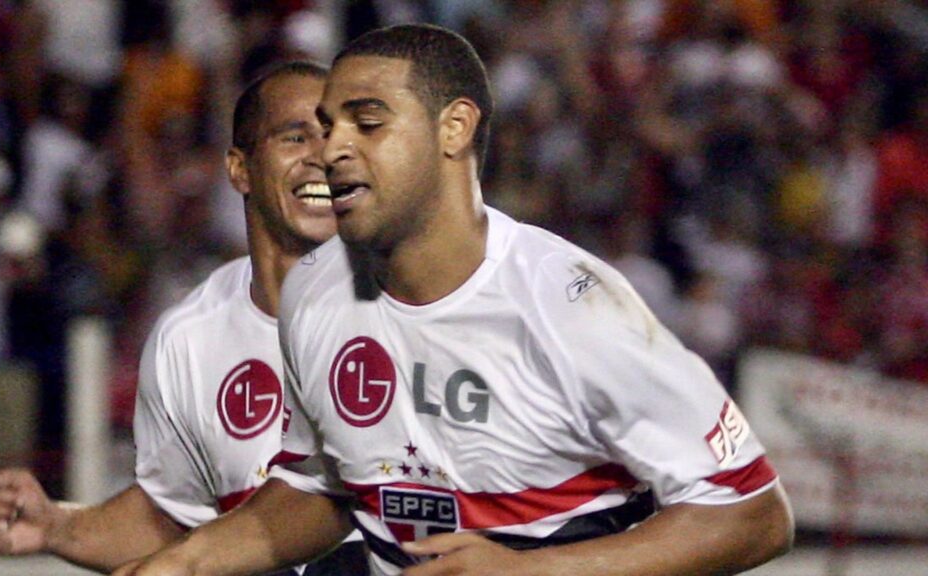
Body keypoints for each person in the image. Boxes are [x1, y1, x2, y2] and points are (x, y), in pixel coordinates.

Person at [115, 24, 794, 576]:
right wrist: (184, 565)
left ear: (454, 128)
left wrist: (531, 573)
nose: (332, 149)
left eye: (367, 123)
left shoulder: (570, 306)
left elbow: (753, 514)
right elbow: (326, 485)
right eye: (325, 126)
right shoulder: (317, 291)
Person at [0, 61, 367, 576]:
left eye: (335, 137)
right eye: (295, 136)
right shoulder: (192, 336)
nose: (323, 157)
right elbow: (176, 519)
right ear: (239, 168)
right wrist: (59, 527)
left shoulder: (413, 303)